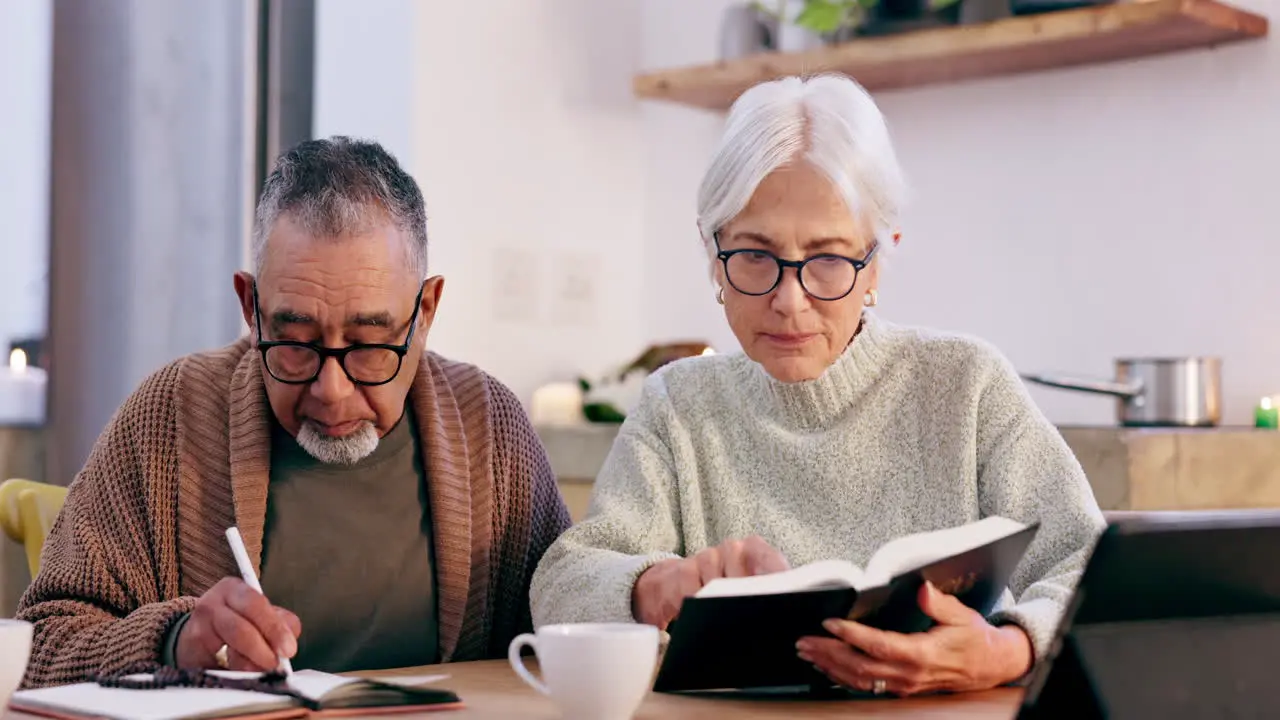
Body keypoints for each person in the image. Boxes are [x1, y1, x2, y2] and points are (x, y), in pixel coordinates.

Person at [529, 75, 1105, 697]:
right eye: (754, 255)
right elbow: (563, 582)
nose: (789, 301)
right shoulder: (678, 405)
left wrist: (1008, 650)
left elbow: (1093, 567)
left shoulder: (965, 385)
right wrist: (653, 586)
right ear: (711, 252)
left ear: (876, 261)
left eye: (828, 259)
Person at [18, 137, 572, 687]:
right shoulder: (170, 417)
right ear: (250, 308)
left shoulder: (490, 428)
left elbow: (573, 628)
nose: (331, 391)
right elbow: (40, 646)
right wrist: (174, 640)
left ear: (425, 312)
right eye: (296, 342)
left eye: (368, 345)